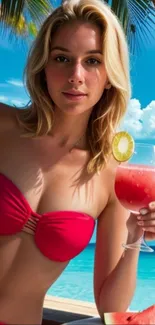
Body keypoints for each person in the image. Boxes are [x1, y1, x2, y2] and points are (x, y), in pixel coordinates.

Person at [1, 0, 155, 324]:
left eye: (93, 61)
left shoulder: (110, 175)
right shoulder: (3, 126)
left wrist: (135, 236)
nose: (76, 75)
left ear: (110, 75)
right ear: (44, 66)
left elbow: (109, 308)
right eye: (62, 58)